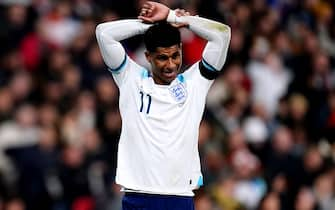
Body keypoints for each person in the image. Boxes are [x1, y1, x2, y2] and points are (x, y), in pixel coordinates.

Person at [95, 1, 231, 210]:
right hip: (138, 196)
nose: (170, 64)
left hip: (179, 197)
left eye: (175, 56)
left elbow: (222, 34)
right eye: (162, 58)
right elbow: (103, 33)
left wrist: (174, 18)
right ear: (148, 57)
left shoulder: (195, 83)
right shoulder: (131, 79)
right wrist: (150, 25)